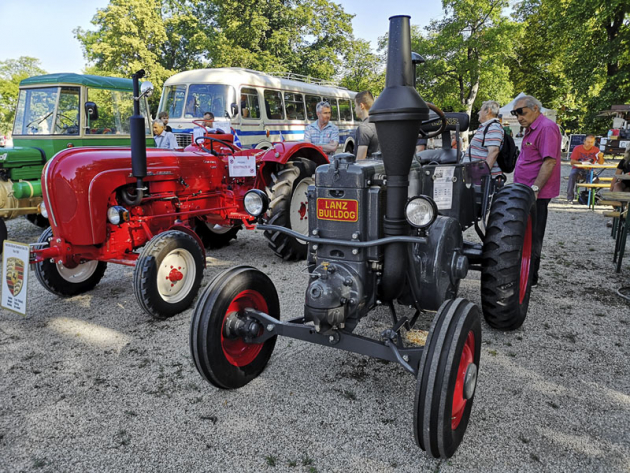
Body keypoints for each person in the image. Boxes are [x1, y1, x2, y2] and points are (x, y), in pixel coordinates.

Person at [512, 95, 562, 288]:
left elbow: (549, 161)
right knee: (524, 232)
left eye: (521, 112)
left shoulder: (546, 127)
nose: (518, 117)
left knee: (534, 235)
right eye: (515, 114)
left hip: (536, 193)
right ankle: (523, 272)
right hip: (526, 190)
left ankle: (530, 278)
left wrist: (535, 189)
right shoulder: (531, 128)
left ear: (534, 109)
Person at [467, 100, 504, 175]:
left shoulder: (493, 127)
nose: (478, 112)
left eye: (481, 110)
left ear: (488, 111)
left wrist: (482, 174)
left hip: (485, 179)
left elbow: (494, 152)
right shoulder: (487, 127)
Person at [566, 134, 605, 202]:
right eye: (588, 142)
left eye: (592, 142)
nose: (590, 144)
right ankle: (570, 197)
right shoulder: (577, 148)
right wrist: (582, 163)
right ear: (584, 141)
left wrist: (601, 156)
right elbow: (572, 162)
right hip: (577, 168)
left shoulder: (596, 149)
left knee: (595, 179)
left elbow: (601, 163)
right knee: (572, 176)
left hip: (590, 169)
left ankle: (592, 197)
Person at [354, 91, 380, 160]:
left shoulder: (364, 128)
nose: (355, 109)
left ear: (361, 106)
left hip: (370, 169)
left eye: (356, 105)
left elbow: (360, 160)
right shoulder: (380, 123)